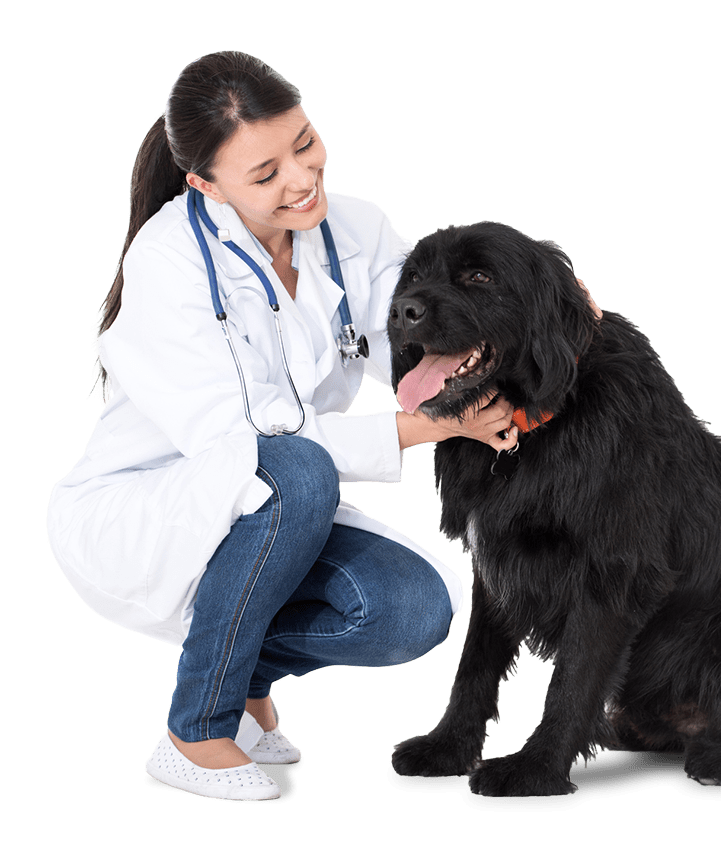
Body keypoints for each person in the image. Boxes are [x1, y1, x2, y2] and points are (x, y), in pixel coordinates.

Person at [47, 51, 528, 802]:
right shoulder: (172, 260)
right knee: (297, 466)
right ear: (205, 184)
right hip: (152, 509)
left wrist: (548, 305)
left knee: (410, 610)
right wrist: (423, 432)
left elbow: (419, 332)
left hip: (273, 513)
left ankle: (243, 681)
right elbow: (248, 446)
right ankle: (195, 730)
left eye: (304, 144)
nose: (302, 181)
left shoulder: (353, 228)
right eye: (265, 175)